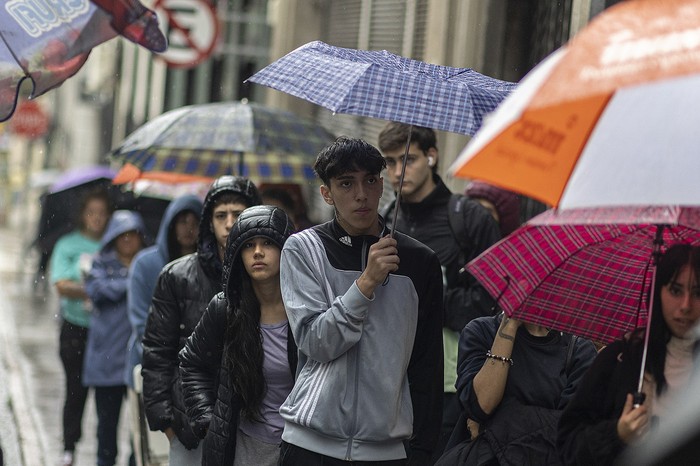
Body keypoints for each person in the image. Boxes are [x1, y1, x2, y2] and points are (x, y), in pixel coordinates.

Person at [277, 136, 444, 465]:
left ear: (382, 186)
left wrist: (423, 452)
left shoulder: (420, 261)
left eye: (370, 180)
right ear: (326, 193)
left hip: (387, 451)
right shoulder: (302, 249)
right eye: (346, 183)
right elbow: (314, 342)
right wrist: (366, 282)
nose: (361, 194)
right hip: (310, 445)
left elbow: (426, 365)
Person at [378, 122, 502, 459]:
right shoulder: (386, 220)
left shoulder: (468, 218)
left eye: (408, 160)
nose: (398, 172)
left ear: (432, 156)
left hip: (450, 380)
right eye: (389, 162)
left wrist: (429, 299)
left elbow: (494, 299)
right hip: (392, 378)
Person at [141, 176, 261, 466]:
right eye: (221, 215)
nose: (230, 222)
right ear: (209, 221)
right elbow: (158, 351)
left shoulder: (265, 277)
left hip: (249, 423)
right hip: (189, 423)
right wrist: (167, 422)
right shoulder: (177, 276)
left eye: (239, 214)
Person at [557, 244, 700, 465]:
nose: (685, 305)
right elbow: (569, 445)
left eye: (697, 293)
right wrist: (617, 434)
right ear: (657, 292)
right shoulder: (620, 359)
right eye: (675, 290)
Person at [179, 205, 296, 465]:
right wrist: (210, 422)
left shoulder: (307, 307)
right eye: (248, 245)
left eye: (267, 242)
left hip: (301, 447)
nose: (257, 252)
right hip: (244, 447)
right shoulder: (226, 308)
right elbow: (192, 363)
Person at [439, 312, 597, 465]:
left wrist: (496, 423)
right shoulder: (481, 331)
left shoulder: (579, 350)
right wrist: (510, 325)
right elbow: (481, 405)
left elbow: (568, 431)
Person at [124, 194, 202, 464]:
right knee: (144, 447)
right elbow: (140, 323)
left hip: (195, 380)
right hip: (150, 370)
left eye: (194, 221)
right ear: (170, 223)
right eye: (181, 221)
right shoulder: (146, 264)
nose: (188, 227)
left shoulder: (210, 267)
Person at [49, 188, 111, 466]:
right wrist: (95, 289)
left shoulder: (115, 243)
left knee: (107, 397)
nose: (97, 218)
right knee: (75, 391)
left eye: (102, 213)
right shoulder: (68, 244)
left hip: (108, 332)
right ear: (83, 215)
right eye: (91, 213)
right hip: (75, 329)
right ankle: (69, 445)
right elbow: (61, 285)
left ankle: (104, 452)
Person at [84, 210, 149, 466]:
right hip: (106, 361)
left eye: (132, 235)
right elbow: (97, 290)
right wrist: (131, 280)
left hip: (138, 362)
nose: (127, 240)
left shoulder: (151, 265)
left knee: (140, 432)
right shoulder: (101, 263)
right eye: (121, 235)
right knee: (106, 430)